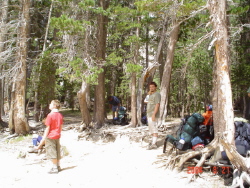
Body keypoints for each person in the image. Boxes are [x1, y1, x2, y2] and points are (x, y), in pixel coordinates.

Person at [36, 100, 64, 174]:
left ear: (54, 105)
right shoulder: (60, 115)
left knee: (52, 151)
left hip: (50, 136)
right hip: (57, 135)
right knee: (57, 150)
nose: (49, 105)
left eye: (51, 104)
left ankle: (54, 168)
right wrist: (59, 133)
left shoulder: (50, 115)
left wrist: (44, 138)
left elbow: (47, 128)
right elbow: (61, 126)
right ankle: (58, 166)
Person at [146, 82, 161, 150]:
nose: (151, 88)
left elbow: (157, 105)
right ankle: (153, 142)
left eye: (152, 87)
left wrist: (154, 114)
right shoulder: (151, 94)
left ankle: (154, 144)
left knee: (154, 129)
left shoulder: (157, 94)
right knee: (151, 129)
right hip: (149, 114)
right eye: (150, 87)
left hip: (153, 114)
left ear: (155, 87)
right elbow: (146, 101)